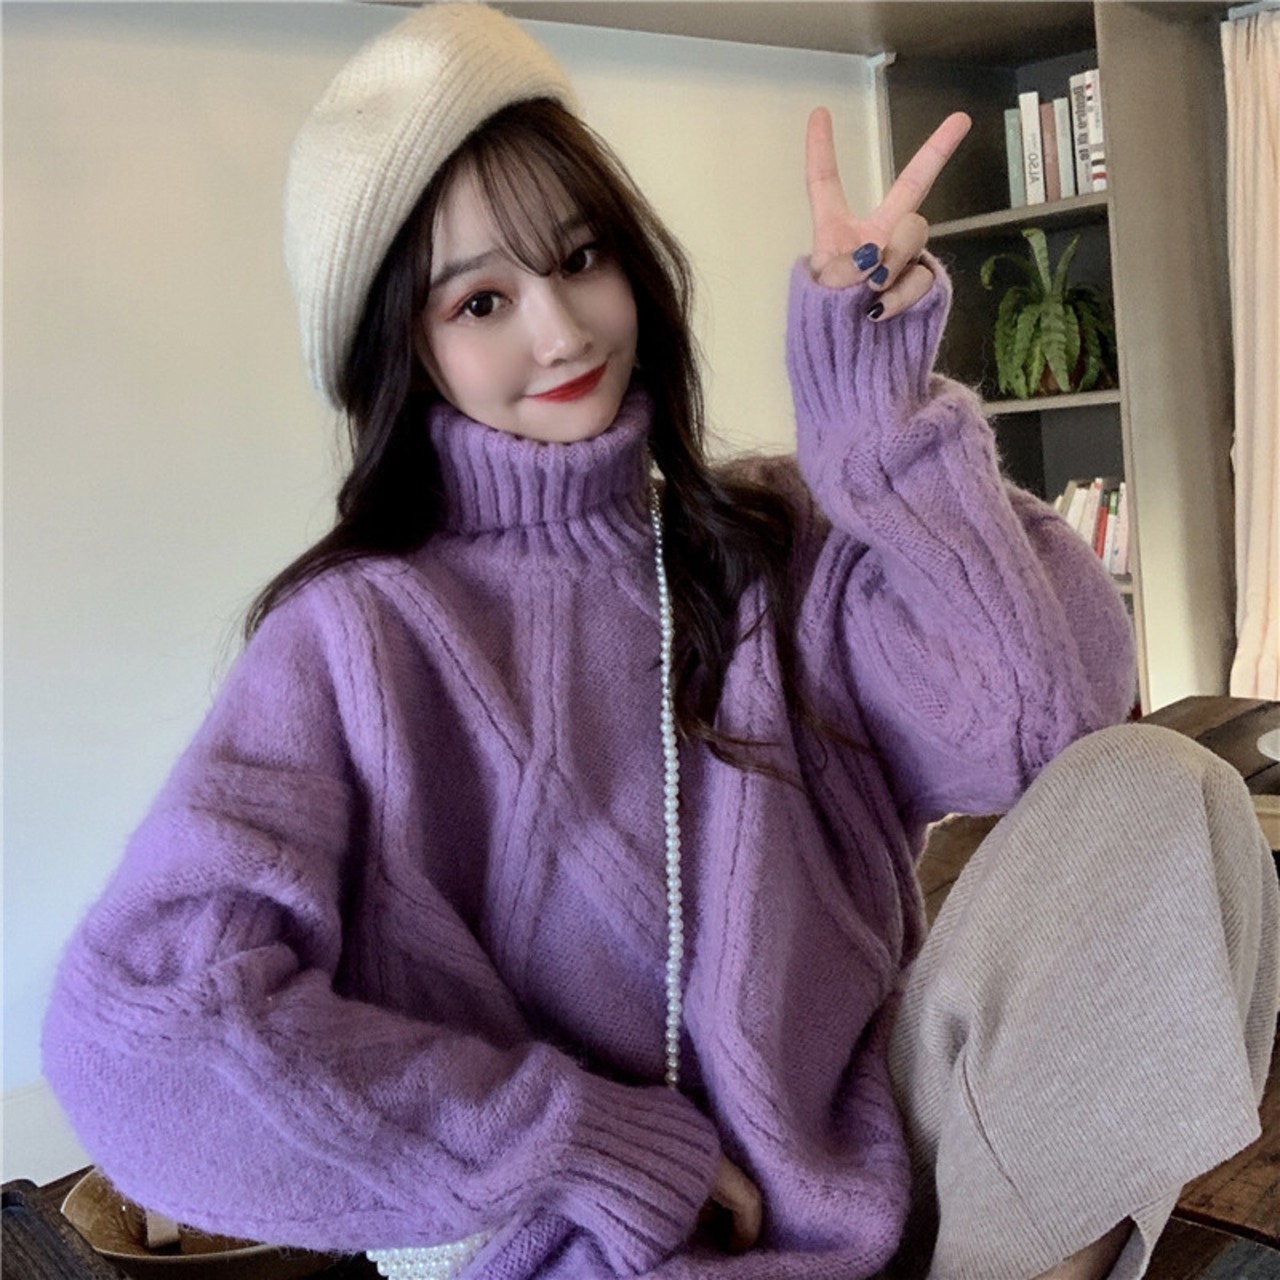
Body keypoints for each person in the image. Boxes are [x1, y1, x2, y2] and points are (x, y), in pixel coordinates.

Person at [42, 6, 1278, 1280]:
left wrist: (873, 418)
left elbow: (1044, 719)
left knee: (1164, 791)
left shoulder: (768, 537)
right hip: (600, 1254)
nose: (561, 330)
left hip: (890, 1181)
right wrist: (574, 1139)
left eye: (578, 256)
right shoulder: (354, 638)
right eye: (481, 299)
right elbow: (138, 1038)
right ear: (401, 345)